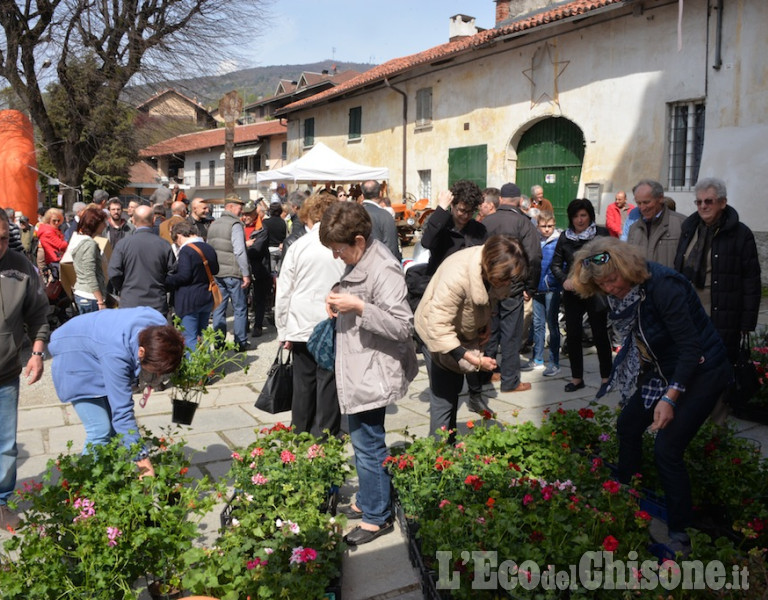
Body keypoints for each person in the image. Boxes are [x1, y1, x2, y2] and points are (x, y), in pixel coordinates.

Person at [571, 236, 732, 556]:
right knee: (629, 424)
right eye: (602, 285)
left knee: (667, 448)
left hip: (702, 371)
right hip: (666, 369)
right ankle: (627, 498)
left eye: (613, 279)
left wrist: (669, 399)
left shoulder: (664, 287)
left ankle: (680, 533)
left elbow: (690, 350)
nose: (610, 289)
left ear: (626, 266)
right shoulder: (622, 292)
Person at [319, 202, 418, 546]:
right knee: (365, 440)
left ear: (359, 241)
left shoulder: (384, 268)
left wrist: (358, 307)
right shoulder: (364, 259)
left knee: (368, 444)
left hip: (373, 370)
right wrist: (338, 299)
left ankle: (377, 517)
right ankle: (369, 499)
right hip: (361, 365)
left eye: (339, 249)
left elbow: (403, 326)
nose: (336, 256)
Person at [49, 307, 184, 478]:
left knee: (114, 431)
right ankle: (87, 489)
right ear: (141, 352)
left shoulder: (160, 326)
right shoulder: (116, 353)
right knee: (100, 430)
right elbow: (122, 411)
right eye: (155, 370)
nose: (157, 375)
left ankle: (110, 476)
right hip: (73, 354)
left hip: (97, 344)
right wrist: (143, 462)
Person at [415, 236, 529, 434]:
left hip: (458, 331)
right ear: (491, 267)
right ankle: (438, 455)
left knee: (454, 390)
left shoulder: (488, 267)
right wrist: (473, 359)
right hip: (435, 332)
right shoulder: (457, 276)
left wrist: (486, 323)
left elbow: (487, 297)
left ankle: (448, 445)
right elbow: (438, 326)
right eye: (505, 279)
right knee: (444, 397)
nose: (508, 284)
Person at [276, 194, 345, 438]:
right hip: (331, 322)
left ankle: (300, 430)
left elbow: (284, 291)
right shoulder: (340, 245)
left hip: (301, 322)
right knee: (328, 379)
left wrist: (283, 330)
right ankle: (325, 432)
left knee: (303, 381)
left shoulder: (298, 246)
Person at [0, 209, 49, 529]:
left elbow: (39, 312)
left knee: (4, 444)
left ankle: (1, 503)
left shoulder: (20, 267)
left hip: (5, 374)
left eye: (2, 238)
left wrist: (37, 351)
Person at [481, 182, 542, 393]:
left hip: (487, 284)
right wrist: (530, 287)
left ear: (500, 200)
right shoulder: (523, 223)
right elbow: (534, 256)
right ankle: (510, 381)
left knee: (489, 330)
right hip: (512, 285)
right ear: (518, 201)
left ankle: (487, 373)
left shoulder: (487, 221)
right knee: (511, 334)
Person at [550, 198, 612, 394]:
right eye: (575, 216)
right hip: (573, 292)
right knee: (574, 335)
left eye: (583, 215)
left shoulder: (601, 234)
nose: (579, 219)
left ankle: (606, 378)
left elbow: (612, 257)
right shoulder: (565, 237)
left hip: (596, 290)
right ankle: (577, 378)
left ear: (590, 216)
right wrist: (563, 280)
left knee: (600, 334)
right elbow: (555, 264)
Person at [108, 204, 176, 315]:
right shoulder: (164, 245)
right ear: (153, 220)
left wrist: (125, 288)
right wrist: (161, 288)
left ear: (133, 220)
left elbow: (114, 273)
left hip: (130, 303)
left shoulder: (123, 244)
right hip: (156, 304)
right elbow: (173, 274)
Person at [207, 193, 251, 352]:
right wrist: (246, 273)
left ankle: (219, 343)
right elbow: (239, 251)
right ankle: (240, 343)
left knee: (219, 308)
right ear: (231, 207)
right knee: (240, 309)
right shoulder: (235, 224)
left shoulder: (214, 224)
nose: (242, 211)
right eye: (240, 208)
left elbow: (209, 247)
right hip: (233, 272)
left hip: (217, 273)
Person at [165, 221, 219, 350]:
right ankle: (207, 367)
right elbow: (215, 270)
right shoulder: (208, 247)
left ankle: (194, 368)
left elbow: (184, 276)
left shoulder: (186, 250)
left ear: (180, 235)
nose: (177, 244)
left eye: (176, 240)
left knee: (190, 337)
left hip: (189, 299)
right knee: (204, 334)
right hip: (206, 296)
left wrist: (167, 280)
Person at [529, 210, 562, 376]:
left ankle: (554, 361)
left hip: (551, 288)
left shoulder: (558, 241)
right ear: (538, 225)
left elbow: (561, 264)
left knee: (552, 323)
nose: (547, 229)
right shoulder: (534, 239)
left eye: (550, 226)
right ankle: (538, 358)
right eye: (543, 226)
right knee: (537, 324)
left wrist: (553, 281)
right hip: (537, 288)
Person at [626, 179, 684, 267]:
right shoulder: (634, 229)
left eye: (646, 202)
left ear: (660, 198)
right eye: (638, 203)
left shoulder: (681, 224)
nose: (642, 208)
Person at [71, 206, 109, 314]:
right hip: (90, 297)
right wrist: (100, 300)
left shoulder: (79, 239)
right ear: (94, 224)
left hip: (84, 294)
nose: (105, 225)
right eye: (103, 223)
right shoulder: (89, 244)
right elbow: (89, 273)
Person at [360, 180, 401, 261]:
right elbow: (391, 248)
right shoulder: (385, 216)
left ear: (362, 196)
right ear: (380, 194)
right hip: (380, 266)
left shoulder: (352, 213)